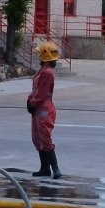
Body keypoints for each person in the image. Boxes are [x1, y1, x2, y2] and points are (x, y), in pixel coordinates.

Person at [28, 40, 62, 178]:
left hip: (44, 108)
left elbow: (41, 92)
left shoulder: (47, 72)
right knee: (37, 139)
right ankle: (44, 168)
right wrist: (29, 99)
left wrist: (32, 102)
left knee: (45, 139)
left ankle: (55, 169)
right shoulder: (43, 70)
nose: (38, 56)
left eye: (40, 54)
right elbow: (35, 90)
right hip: (38, 107)